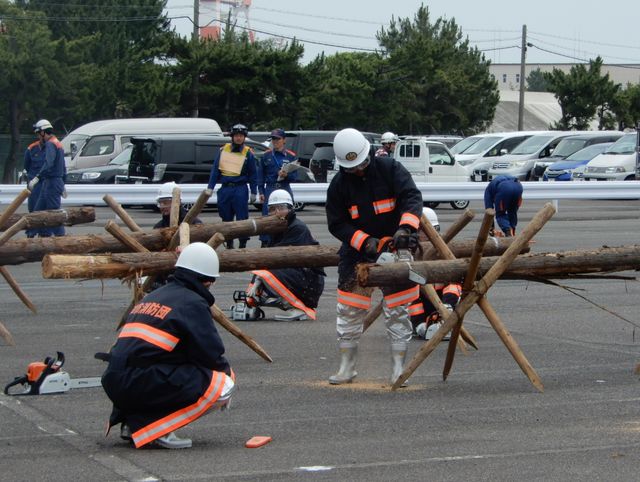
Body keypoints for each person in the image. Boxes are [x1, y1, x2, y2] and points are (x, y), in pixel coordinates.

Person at [100, 242, 235, 449]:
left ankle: (132, 424)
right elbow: (211, 354)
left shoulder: (155, 295)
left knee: (163, 368)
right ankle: (157, 429)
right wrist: (226, 381)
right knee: (223, 384)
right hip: (137, 382)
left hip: (116, 380)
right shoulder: (192, 302)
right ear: (207, 280)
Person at [325, 128, 423, 386]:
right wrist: (365, 242)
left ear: (369, 153)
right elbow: (336, 224)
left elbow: (411, 197)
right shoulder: (338, 186)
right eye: (352, 168)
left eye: (362, 164)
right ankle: (347, 368)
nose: (358, 170)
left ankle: (398, 370)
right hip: (357, 253)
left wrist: (405, 229)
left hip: (395, 244)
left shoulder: (391, 169)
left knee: (398, 310)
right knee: (349, 309)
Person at [245, 189, 325, 321]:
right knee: (262, 277)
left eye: (281, 208)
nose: (276, 212)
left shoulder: (297, 227)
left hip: (308, 280)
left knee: (268, 273)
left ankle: (297, 307)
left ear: (290, 208)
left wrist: (260, 278)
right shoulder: (276, 228)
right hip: (296, 275)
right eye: (272, 209)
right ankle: (262, 302)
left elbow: (279, 255)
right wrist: (254, 285)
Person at [409, 208, 461, 341]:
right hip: (422, 303)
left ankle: (445, 314)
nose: (425, 235)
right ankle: (420, 325)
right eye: (421, 231)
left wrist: (445, 308)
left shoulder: (445, 250)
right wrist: (419, 324)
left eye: (428, 231)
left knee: (455, 281)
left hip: (444, 302)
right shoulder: (409, 252)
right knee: (409, 287)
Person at [207, 124, 257, 249]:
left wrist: (254, 191)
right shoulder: (223, 150)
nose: (239, 138)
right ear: (232, 137)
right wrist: (210, 187)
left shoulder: (248, 153)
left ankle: (242, 243)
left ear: (244, 137)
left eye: (241, 136)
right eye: (236, 136)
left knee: (242, 218)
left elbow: (253, 174)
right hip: (225, 189)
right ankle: (229, 243)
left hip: (240, 188)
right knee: (226, 217)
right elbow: (215, 171)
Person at [257, 128, 298, 247]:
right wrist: (260, 191)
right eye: (273, 139)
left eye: (277, 139)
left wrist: (286, 175)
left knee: (287, 214)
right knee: (267, 216)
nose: (275, 141)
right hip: (270, 188)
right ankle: (265, 242)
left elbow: (295, 176)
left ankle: (287, 240)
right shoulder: (266, 155)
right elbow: (261, 175)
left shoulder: (290, 156)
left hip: (284, 187)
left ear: (284, 140)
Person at [27, 119, 66, 237]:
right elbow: (63, 167)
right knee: (38, 212)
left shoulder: (50, 144)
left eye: (39, 133)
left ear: (43, 132)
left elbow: (49, 163)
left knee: (54, 215)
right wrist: (63, 183)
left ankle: (61, 241)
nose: (38, 136)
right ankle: (32, 236)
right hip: (51, 183)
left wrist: (37, 177)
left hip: (52, 183)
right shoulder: (57, 143)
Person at [22, 123, 47, 237]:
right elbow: (26, 166)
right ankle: (31, 236)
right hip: (34, 185)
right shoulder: (31, 148)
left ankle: (44, 236)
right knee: (33, 210)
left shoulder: (53, 147)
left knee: (47, 212)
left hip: (47, 184)